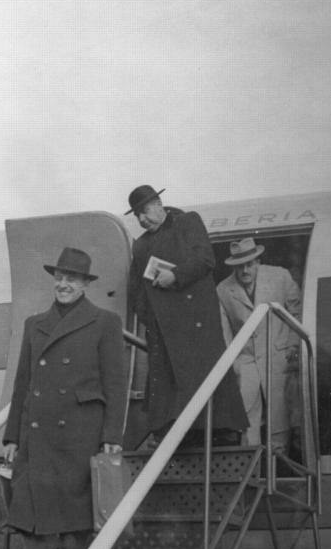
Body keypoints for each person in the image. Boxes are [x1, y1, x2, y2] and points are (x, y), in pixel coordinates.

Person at [3, 247, 127, 549]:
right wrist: (12, 437)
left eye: (71, 279)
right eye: (59, 278)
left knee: (76, 525)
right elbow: (23, 383)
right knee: (34, 524)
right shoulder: (35, 324)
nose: (63, 284)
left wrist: (112, 434)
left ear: (86, 284)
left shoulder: (105, 322)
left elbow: (115, 383)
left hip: (80, 435)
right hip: (38, 437)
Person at [125, 185, 248, 447]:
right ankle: (176, 434)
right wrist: (149, 317)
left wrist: (176, 276)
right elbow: (135, 288)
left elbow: (205, 259)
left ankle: (219, 431)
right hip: (163, 327)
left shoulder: (187, 221)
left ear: (158, 204)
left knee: (206, 374)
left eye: (145, 211)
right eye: (137, 216)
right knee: (169, 383)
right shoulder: (142, 244)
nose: (142, 219)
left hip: (196, 321)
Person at [216, 238, 302, 452]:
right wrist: (233, 363)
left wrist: (293, 346)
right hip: (245, 360)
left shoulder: (280, 276)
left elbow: (297, 313)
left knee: (281, 415)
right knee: (247, 419)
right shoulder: (223, 290)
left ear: (258, 261)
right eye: (239, 266)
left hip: (278, 355)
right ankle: (251, 473)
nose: (244, 270)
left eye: (249, 264)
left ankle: (281, 469)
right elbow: (224, 331)